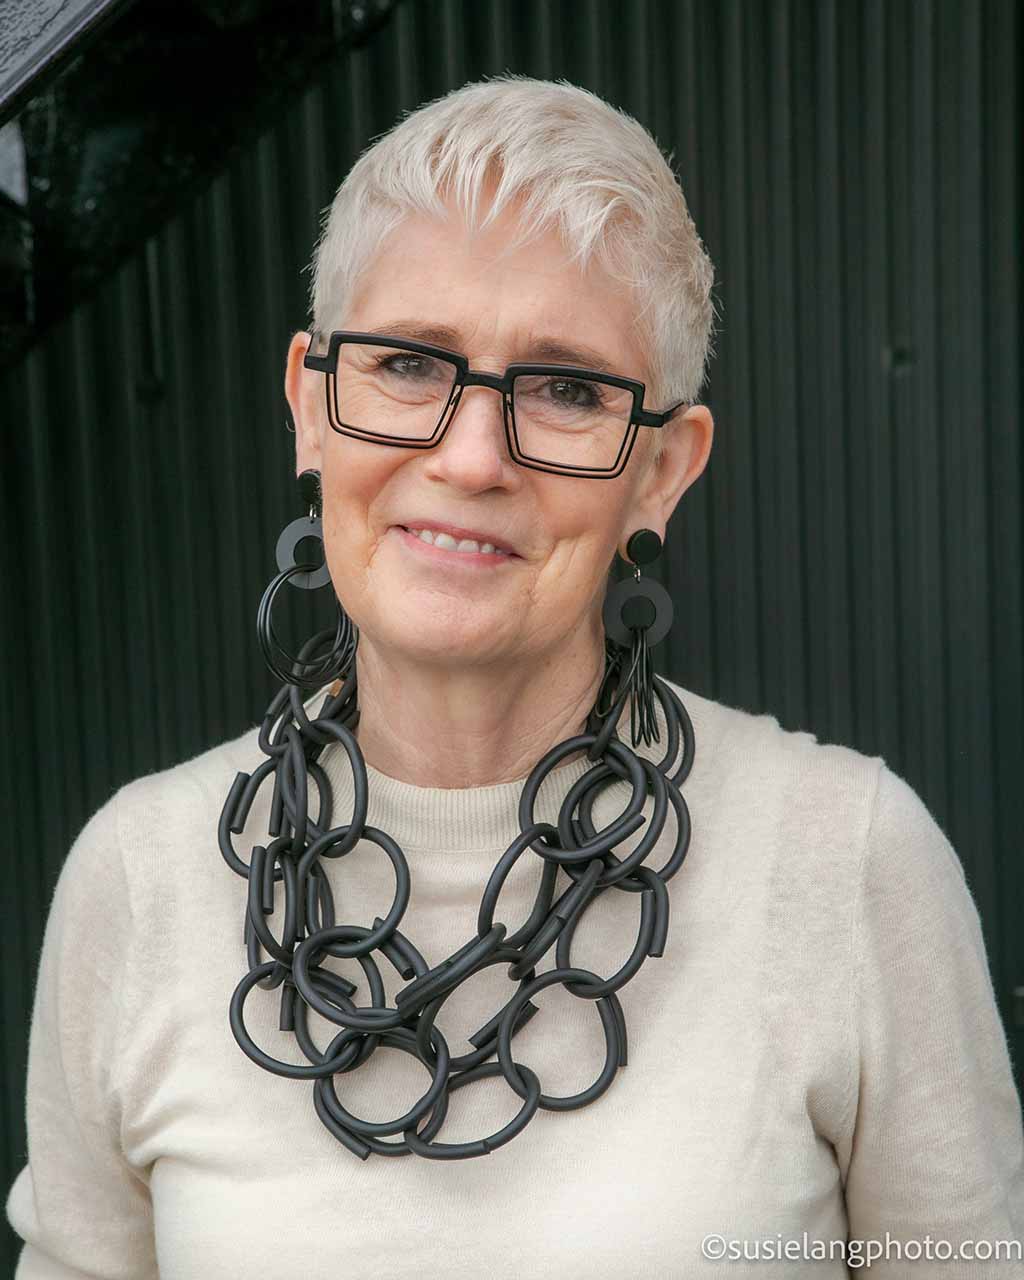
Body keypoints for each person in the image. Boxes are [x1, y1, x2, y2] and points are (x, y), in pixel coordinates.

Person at [6, 74, 1023, 1280]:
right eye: (407, 366)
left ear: (661, 471)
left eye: (567, 388)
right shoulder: (137, 878)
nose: (473, 455)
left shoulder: (847, 861)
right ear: (311, 407)